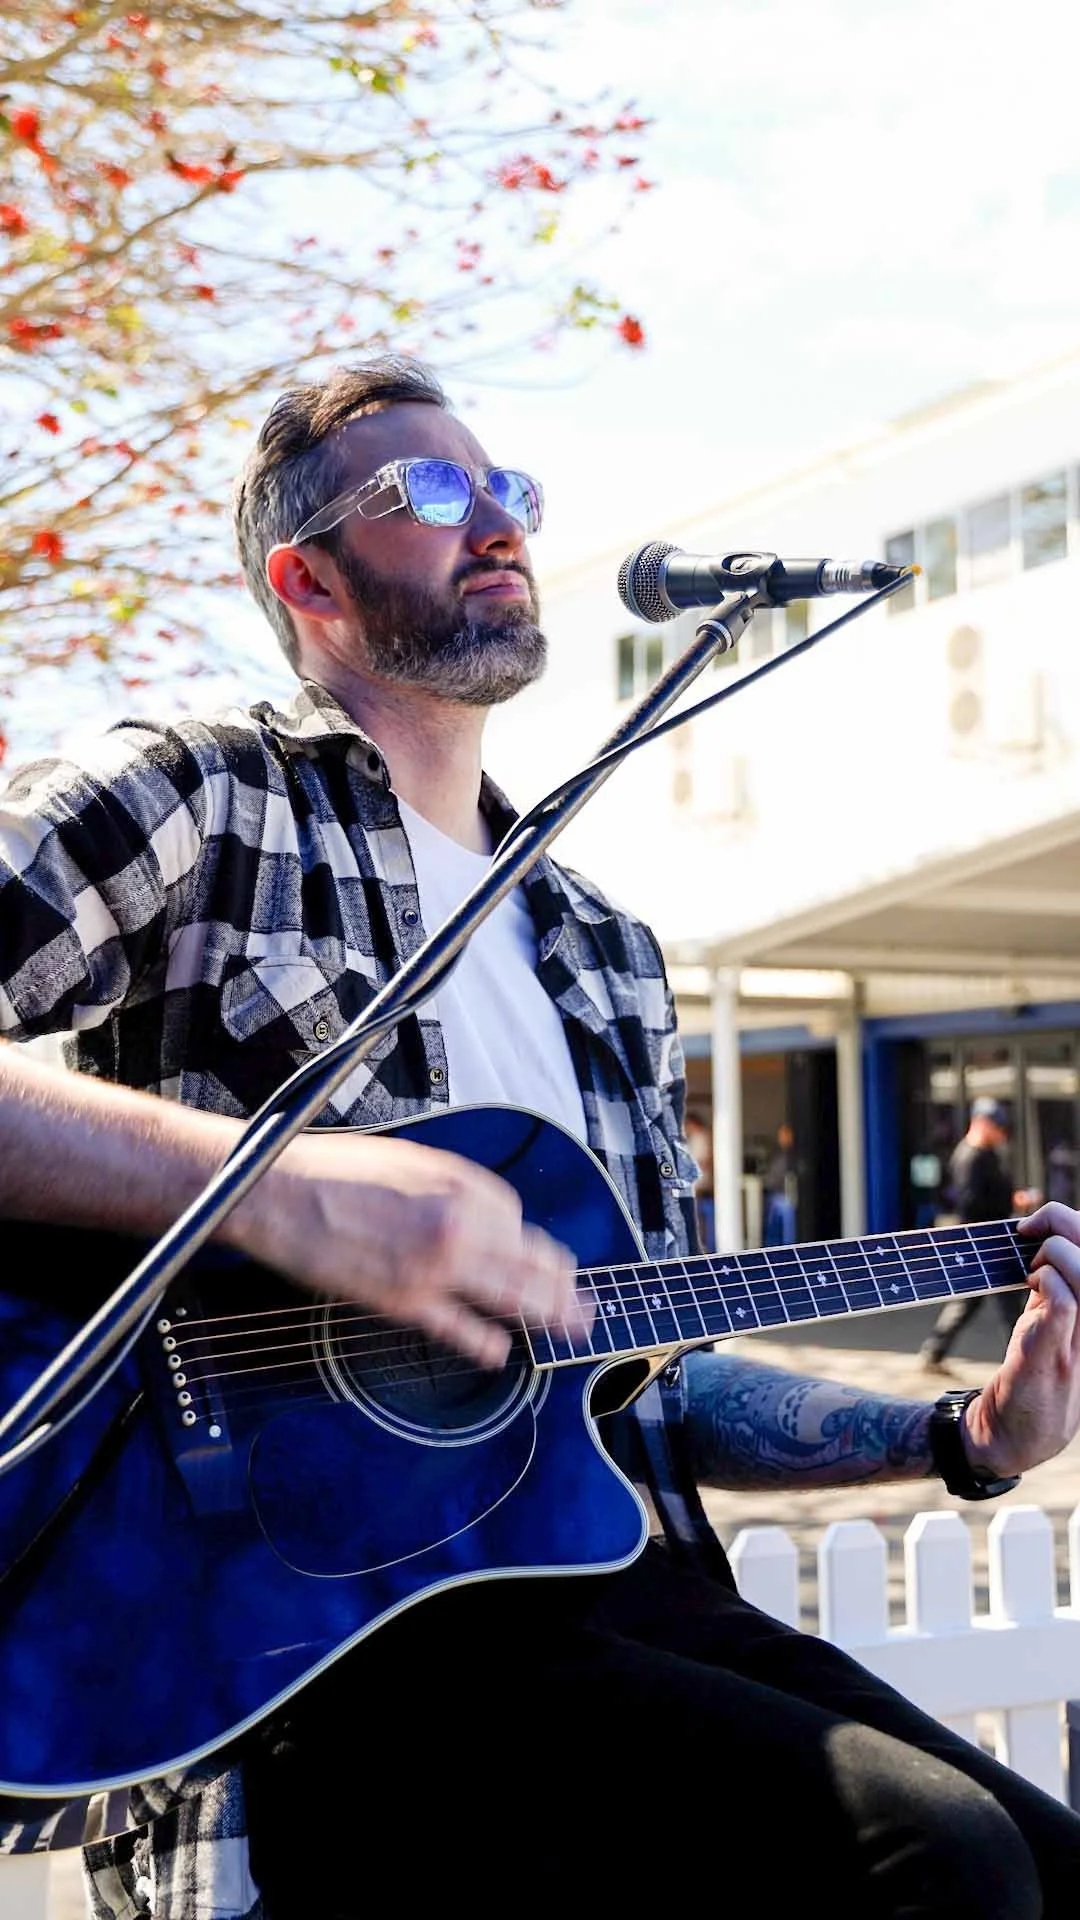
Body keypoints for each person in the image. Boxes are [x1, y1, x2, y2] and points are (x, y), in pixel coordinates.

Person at [3, 357, 1080, 1917]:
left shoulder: (599, 950)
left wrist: (955, 1442)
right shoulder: (203, 804)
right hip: (294, 1649)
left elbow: (634, 1354)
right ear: (306, 578)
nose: (496, 520)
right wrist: (269, 1191)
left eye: (508, 488)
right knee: (936, 1864)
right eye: (431, 492)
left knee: (1041, 1861)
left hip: (597, 1595)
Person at [920, 1096, 1040, 1373]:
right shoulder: (970, 1157)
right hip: (984, 1242)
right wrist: (1012, 1203)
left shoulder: (986, 1154)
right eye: (997, 1127)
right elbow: (972, 1203)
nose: (1001, 1133)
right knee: (1009, 1302)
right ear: (982, 1124)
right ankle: (1023, 1361)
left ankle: (934, 1351)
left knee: (972, 1301)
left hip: (990, 1240)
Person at [762, 1118, 798, 1244]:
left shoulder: (795, 1154)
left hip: (787, 1197)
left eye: (785, 1134)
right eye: (780, 1135)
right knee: (772, 1235)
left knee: (787, 1235)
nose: (782, 1138)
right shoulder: (778, 1154)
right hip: (774, 1196)